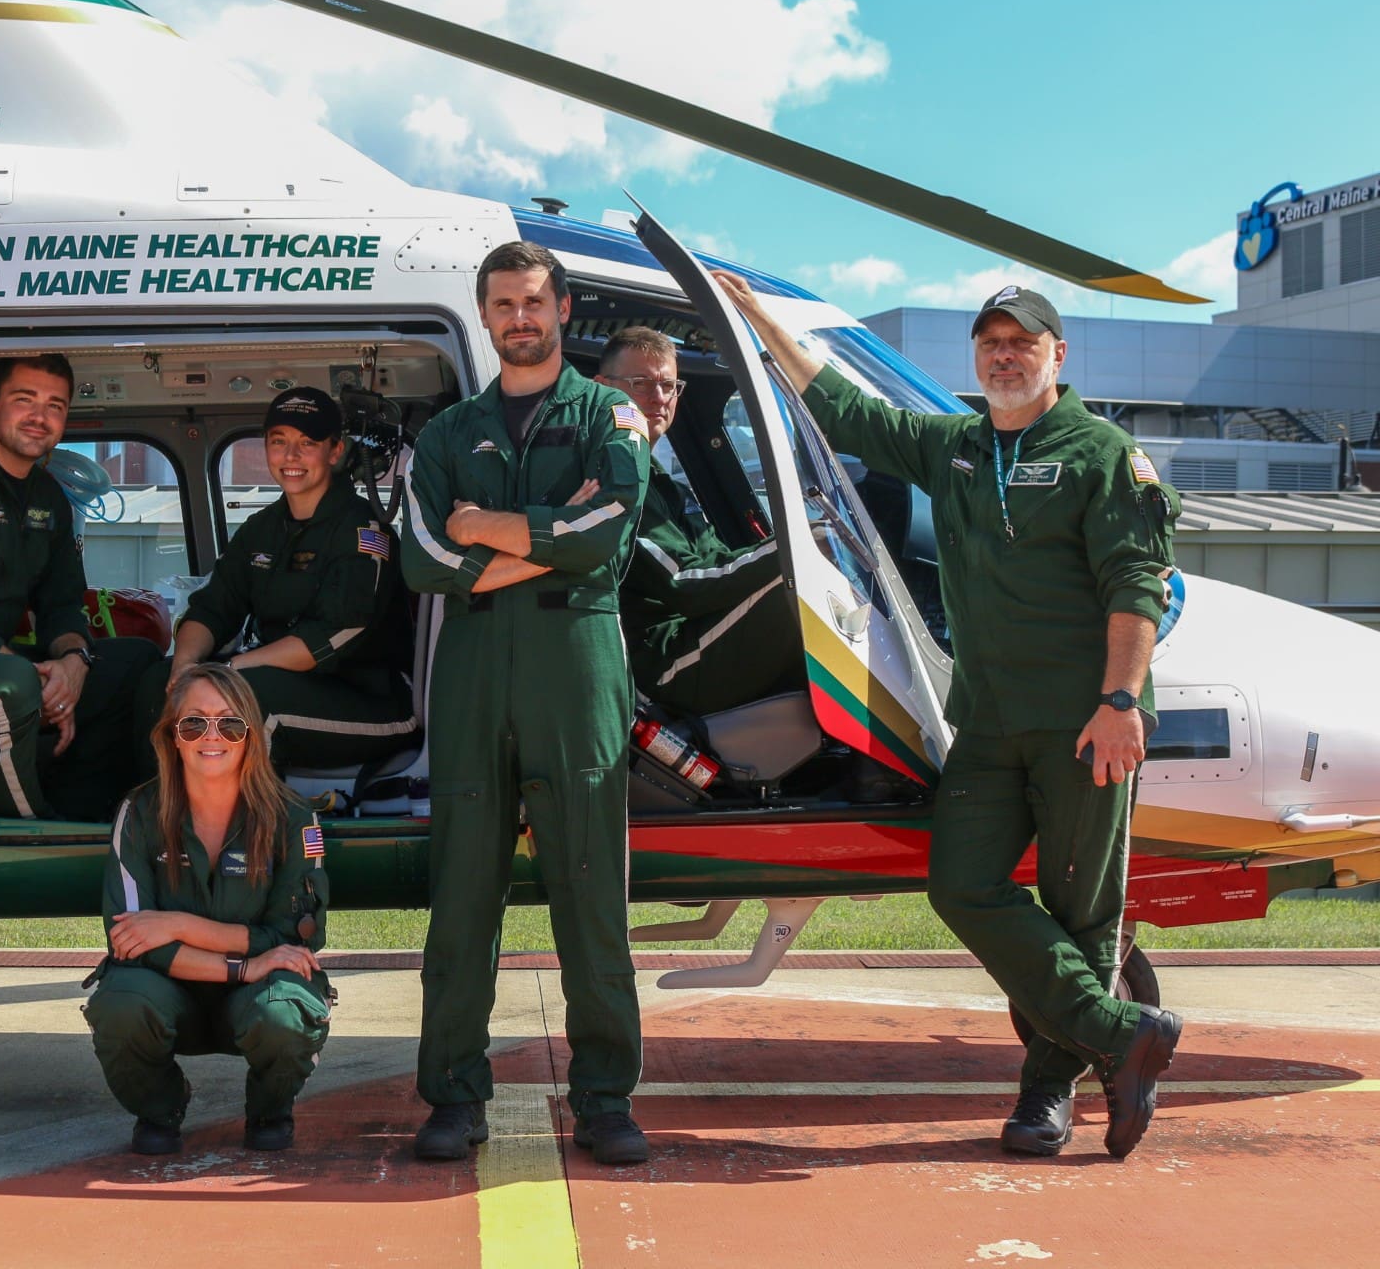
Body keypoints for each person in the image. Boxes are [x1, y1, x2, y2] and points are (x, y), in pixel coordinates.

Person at [715, 272, 1184, 1159]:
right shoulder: (959, 447)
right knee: (960, 883)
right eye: (991, 343)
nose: (1005, 356)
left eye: (1023, 342)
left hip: (1085, 724)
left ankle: (1046, 1095)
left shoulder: (1100, 453)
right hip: (989, 723)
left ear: (1058, 354)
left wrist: (1122, 701)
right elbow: (849, 413)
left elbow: (1137, 584)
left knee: (1083, 912)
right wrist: (758, 318)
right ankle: (1123, 1037)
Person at [400, 241, 652, 1166]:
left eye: (533, 301)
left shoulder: (607, 415)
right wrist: (545, 542)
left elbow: (609, 529)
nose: (519, 317)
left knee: (590, 896)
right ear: (484, 313)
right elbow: (422, 558)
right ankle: (453, 1097)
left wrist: (484, 537)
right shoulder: (446, 433)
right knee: (462, 896)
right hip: (471, 682)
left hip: (573, 672)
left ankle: (605, 1099)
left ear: (563, 308)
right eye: (502, 303)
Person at [85, 663, 331, 1155]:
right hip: (166, 991)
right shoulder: (138, 814)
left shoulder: (295, 821)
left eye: (230, 723)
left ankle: (269, 1107)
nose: (211, 736)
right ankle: (161, 1107)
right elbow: (132, 942)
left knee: (285, 1011)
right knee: (121, 1003)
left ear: (250, 738)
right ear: (172, 737)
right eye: (193, 723)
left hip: (255, 995)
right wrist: (244, 962)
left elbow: (292, 937)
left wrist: (176, 924)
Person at [0, 353, 160, 820]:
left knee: (138, 662)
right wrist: (44, 685)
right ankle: (31, 831)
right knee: (10, 681)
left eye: (55, 406)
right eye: (25, 400)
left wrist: (72, 663)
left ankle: (104, 820)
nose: (39, 417)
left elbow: (64, 602)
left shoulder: (48, 498)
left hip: (6, 663)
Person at [139, 386, 416, 772]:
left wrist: (233, 670)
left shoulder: (363, 531)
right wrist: (184, 667)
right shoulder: (262, 529)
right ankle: (154, 819)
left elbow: (333, 636)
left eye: (308, 443)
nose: (290, 456)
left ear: (334, 451)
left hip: (372, 701)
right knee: (157, 683)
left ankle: (245, 830)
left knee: (238, 701)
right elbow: (214, 606)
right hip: (273, 680)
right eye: (279, 441)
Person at [598, 326, 800, 717]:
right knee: (796, 593)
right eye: (640, 383)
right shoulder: (613, 476)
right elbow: (684, 585)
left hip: (690, 636)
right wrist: (798, 546)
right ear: (602, 388)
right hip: (660, 663)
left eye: (668, 385)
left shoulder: (664, 485)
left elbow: (719, 560)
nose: (658, 398)